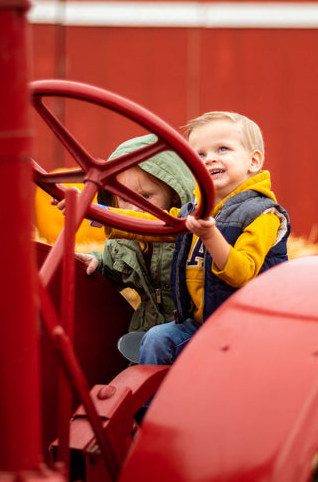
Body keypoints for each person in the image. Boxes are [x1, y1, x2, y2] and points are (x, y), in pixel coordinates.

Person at [136, 110, 290, 365]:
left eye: (222, 149)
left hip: (247, 331)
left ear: (253, 162)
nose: (209, 160)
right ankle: (155, 405)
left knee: (159, 340)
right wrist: (94, 212)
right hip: (201, 325)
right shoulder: (193, 210)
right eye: (199, 155)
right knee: (157, 338)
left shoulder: (262, 214)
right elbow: (154, 223)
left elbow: (242, 272)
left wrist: (210, 235)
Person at [74, 134, 196, 335]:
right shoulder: (123, 243)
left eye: (146, 197)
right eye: (124, 199)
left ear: (174, 194)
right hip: (147, 332)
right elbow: (113, 272)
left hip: (190, 331)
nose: (134, 208)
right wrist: (97, 264)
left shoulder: (187, 234)